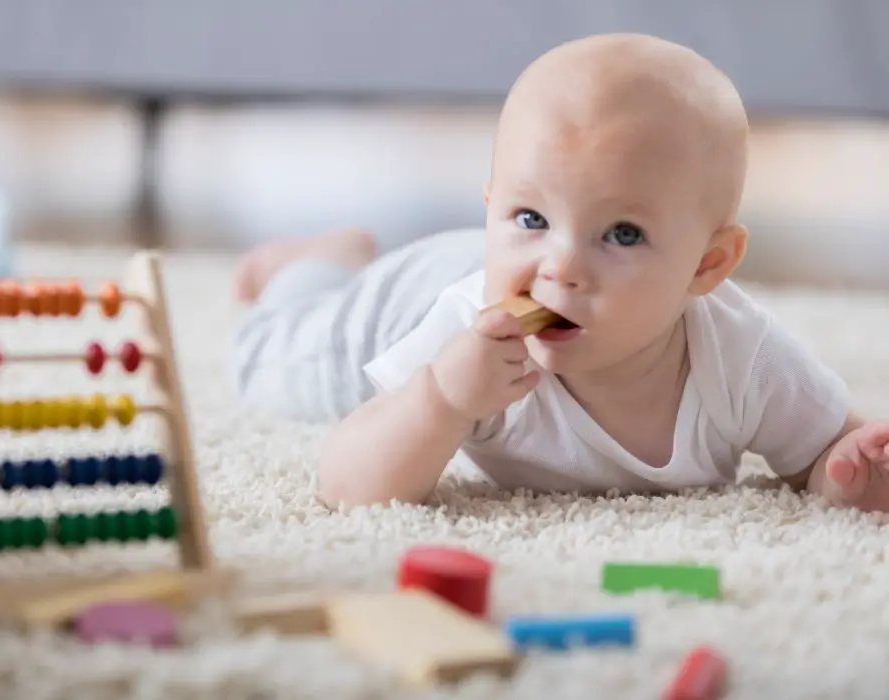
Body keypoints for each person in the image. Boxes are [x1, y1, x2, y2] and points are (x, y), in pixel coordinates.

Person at [230, 33, 889, 512]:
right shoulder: (465, 337)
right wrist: (441, 400)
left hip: (480, 268)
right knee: (268, 363)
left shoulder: (740, 357)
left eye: (622, 234)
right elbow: (345, 487)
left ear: (708, 265)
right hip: (408, 300)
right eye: (529, 216)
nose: (563, 266)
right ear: (493, 209)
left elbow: (826, 453)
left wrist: (853, 477)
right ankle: (311, 264)